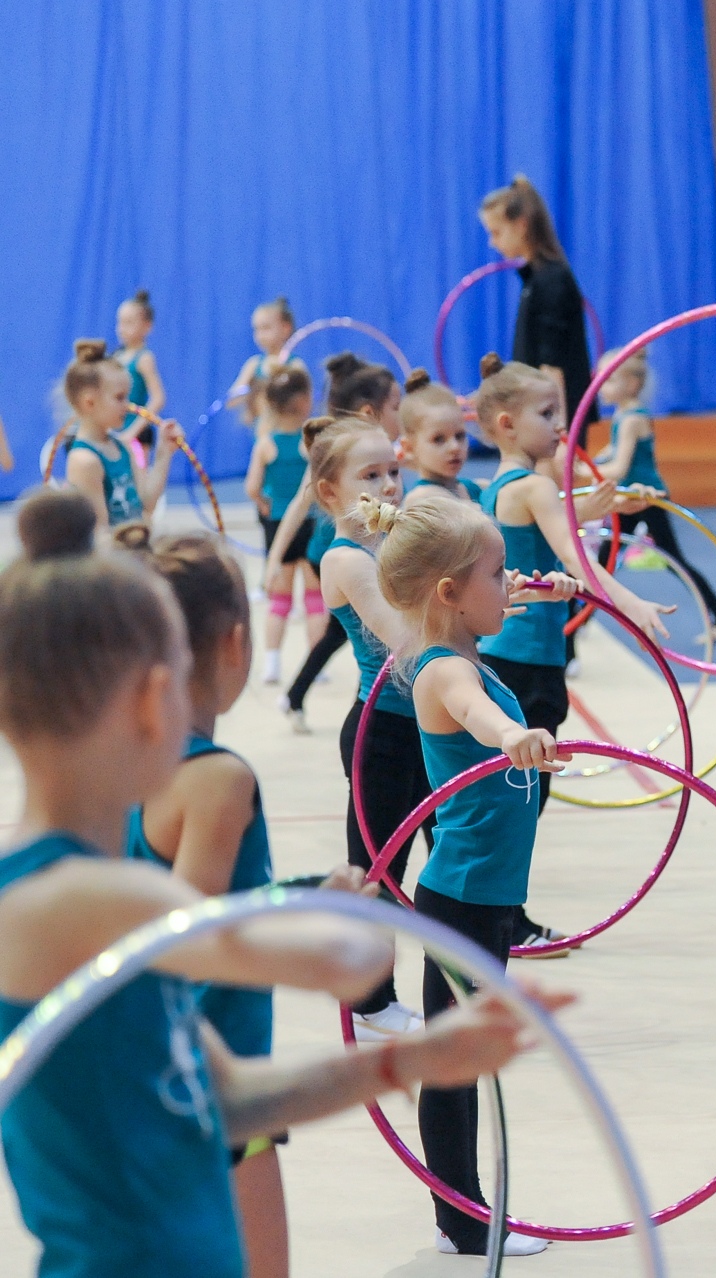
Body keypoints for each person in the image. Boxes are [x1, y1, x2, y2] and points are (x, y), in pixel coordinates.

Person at [0, 488, 568, 1276]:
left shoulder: (95, 892)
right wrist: (319, 917)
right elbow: (318, 958)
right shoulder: (69, 900)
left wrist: (410, 1062)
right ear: (154, 697)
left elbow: (228, 1100)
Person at [360, 492, 580, 1256]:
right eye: (497, 573)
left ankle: (463, 1209)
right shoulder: (444, 674)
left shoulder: (460, 643)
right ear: (450, 595)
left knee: (464, 1054)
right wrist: (514, 732)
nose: (510, 582)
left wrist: (535, 588)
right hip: (461, 901)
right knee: (456, 1064)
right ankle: (462, 1217)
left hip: (484, 897)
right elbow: (474, 711)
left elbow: (489, 613)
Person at [117, 523, 320, 1278]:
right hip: (215, 1074)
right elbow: (192, 936)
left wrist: (298, 891)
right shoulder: (216, 779)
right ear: (236, 644)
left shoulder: (123, 768)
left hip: (146, 1072)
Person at [471, 354, 669, 946]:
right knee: (521, 801)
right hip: (525, 663)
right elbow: (576, 554)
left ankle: (497, 917)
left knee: (516, 798)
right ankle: (502, 920)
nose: (563, 425)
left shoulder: (505, 487)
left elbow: (555, 517)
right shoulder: (532, 485)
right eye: (548, 412)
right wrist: (631, 605)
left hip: (516, 658)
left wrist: (605, 503)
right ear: (506, 423)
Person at [305, 414, 440, 1029]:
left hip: (424, 726)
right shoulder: (346, 560)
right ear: (330, 492)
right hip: (380, 732)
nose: (389, 485)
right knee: (379, 874)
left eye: (393, 471)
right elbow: (407, 638)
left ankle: (469, 965)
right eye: (371, 475)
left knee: (442, 858)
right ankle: (369, 1000)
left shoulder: (389, 544)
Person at [271, 352, 404, 731]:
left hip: (367, 551)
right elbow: (300, 504)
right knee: (345, 633)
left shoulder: (385, 459)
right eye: (396, 407)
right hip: (334, 553)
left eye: (393, 472)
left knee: (349, 636)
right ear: (369, 413)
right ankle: (299, 695)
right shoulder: (340, 460)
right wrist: (274, 560)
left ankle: (302, 696)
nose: (402, 416)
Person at [597, 348, 716, 639]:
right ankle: (578, 623)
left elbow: (620, 465)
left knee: (672, 562)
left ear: (632, 385)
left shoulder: (632, 419)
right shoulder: (623, 414)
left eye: (609, 380)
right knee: (603, 562)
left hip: (647, 498)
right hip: (631, 498)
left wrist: (582, 472)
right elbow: (611, 452)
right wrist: (589, 461)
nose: (601, 386)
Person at [480, 175, 596, 427]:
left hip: (552, 418)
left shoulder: (551, 279)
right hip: (541, 414)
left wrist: (559, 428)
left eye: (496, 232)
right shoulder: (535, 278)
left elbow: (551, 364)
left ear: (521, 225)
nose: (492, 242)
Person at [244, 366, 327, 685]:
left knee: (279, 599)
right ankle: (314, 665)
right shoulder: (312, 444)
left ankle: (272, 664)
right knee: (314, 598)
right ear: (307, 401)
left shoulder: (265, 444)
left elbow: (252, 487)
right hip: (310, 523)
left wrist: (265, 504)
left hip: (277, 524)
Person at [60, 339, 180, 531]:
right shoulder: (84, 461)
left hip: (133, 553)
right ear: (89, 403)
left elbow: (146, 506)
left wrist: (164, 453)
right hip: (115, 558)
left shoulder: (123, 446)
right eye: (119, 397)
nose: (128, 405)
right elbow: (99, 534)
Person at [397, 370, 482, 504]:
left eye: (460, 436)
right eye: (439, 439)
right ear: (409, 448)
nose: (454, 447)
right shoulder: (421, 500)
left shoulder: (472, 488)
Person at [225, 297, 303, 424]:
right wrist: (249, 392)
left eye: (266, 328)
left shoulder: (295, 365)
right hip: (262, 435)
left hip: (290, 432)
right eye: (256, 329)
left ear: (285, 328)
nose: (260, 335)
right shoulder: (254, 364)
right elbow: (231, 401)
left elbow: (303, 402)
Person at [112, 289, 166, 443]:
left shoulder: (144, 358)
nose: (122, 328)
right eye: (120, 322)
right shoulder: (116, 356)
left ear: (147, 326)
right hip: (115, 431)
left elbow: (158, 398)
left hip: (135, 436)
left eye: (129, 323)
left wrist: (132, 432)